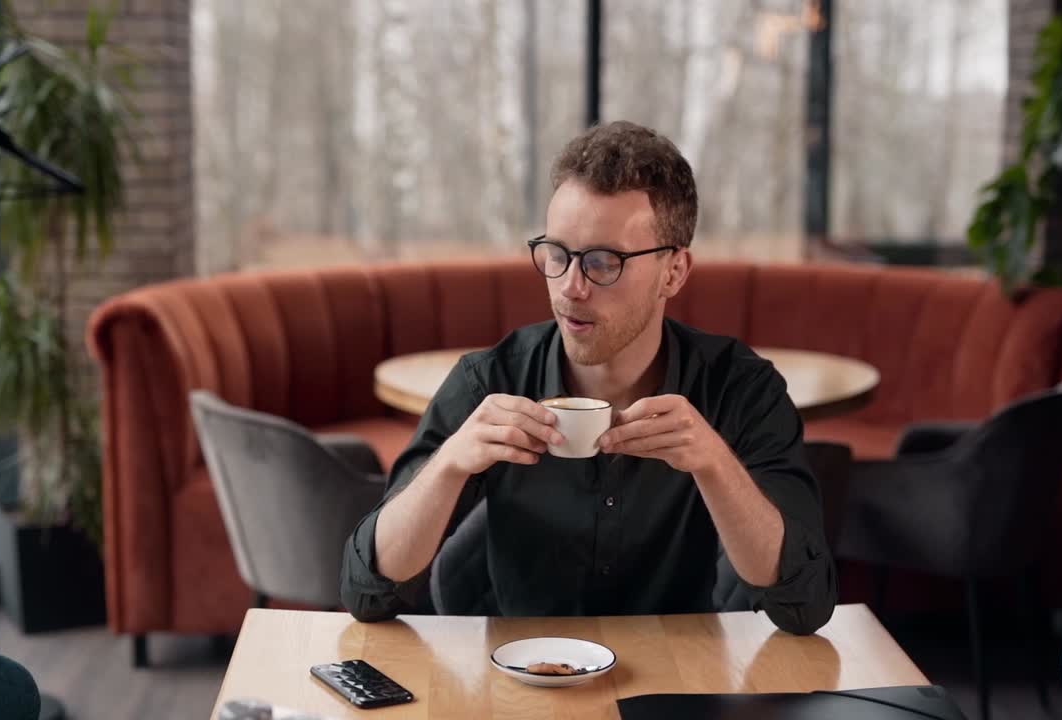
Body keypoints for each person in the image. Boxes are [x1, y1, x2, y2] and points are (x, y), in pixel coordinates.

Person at [341, 121, 837, 634]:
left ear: (673, 272)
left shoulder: (740, 389)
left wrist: (714, 462)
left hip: (684, 672)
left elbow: (803, 604)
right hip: (521, 673)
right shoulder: (489, 382)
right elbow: (366, 591)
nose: (570, 288)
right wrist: (448, 465)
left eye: (603, 262)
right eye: (558, 255)